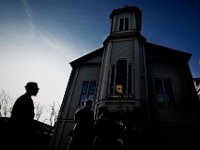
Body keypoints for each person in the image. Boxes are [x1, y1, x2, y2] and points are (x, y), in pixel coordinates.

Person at [10, 82, 39, 150]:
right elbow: (24, 118)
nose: (37, 91)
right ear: (31, 89)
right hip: (20, 132)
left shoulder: (25, 99)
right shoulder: (25, 100)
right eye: (36, 89)